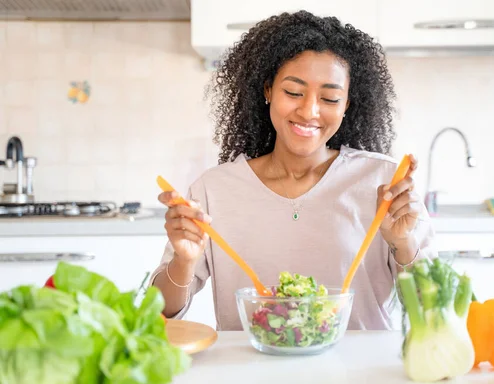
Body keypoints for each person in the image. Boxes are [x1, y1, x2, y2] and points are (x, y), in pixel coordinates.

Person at [150, 10, 437, 331]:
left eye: (329, 97)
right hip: (247, 375)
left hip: (359, 375)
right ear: (268, 90)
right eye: (293, 92)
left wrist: (403, 244)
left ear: (347, 105)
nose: (309, 111)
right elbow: (161, 314)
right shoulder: (213, 190)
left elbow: (432, 309)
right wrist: (184, 262)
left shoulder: (385, 183)